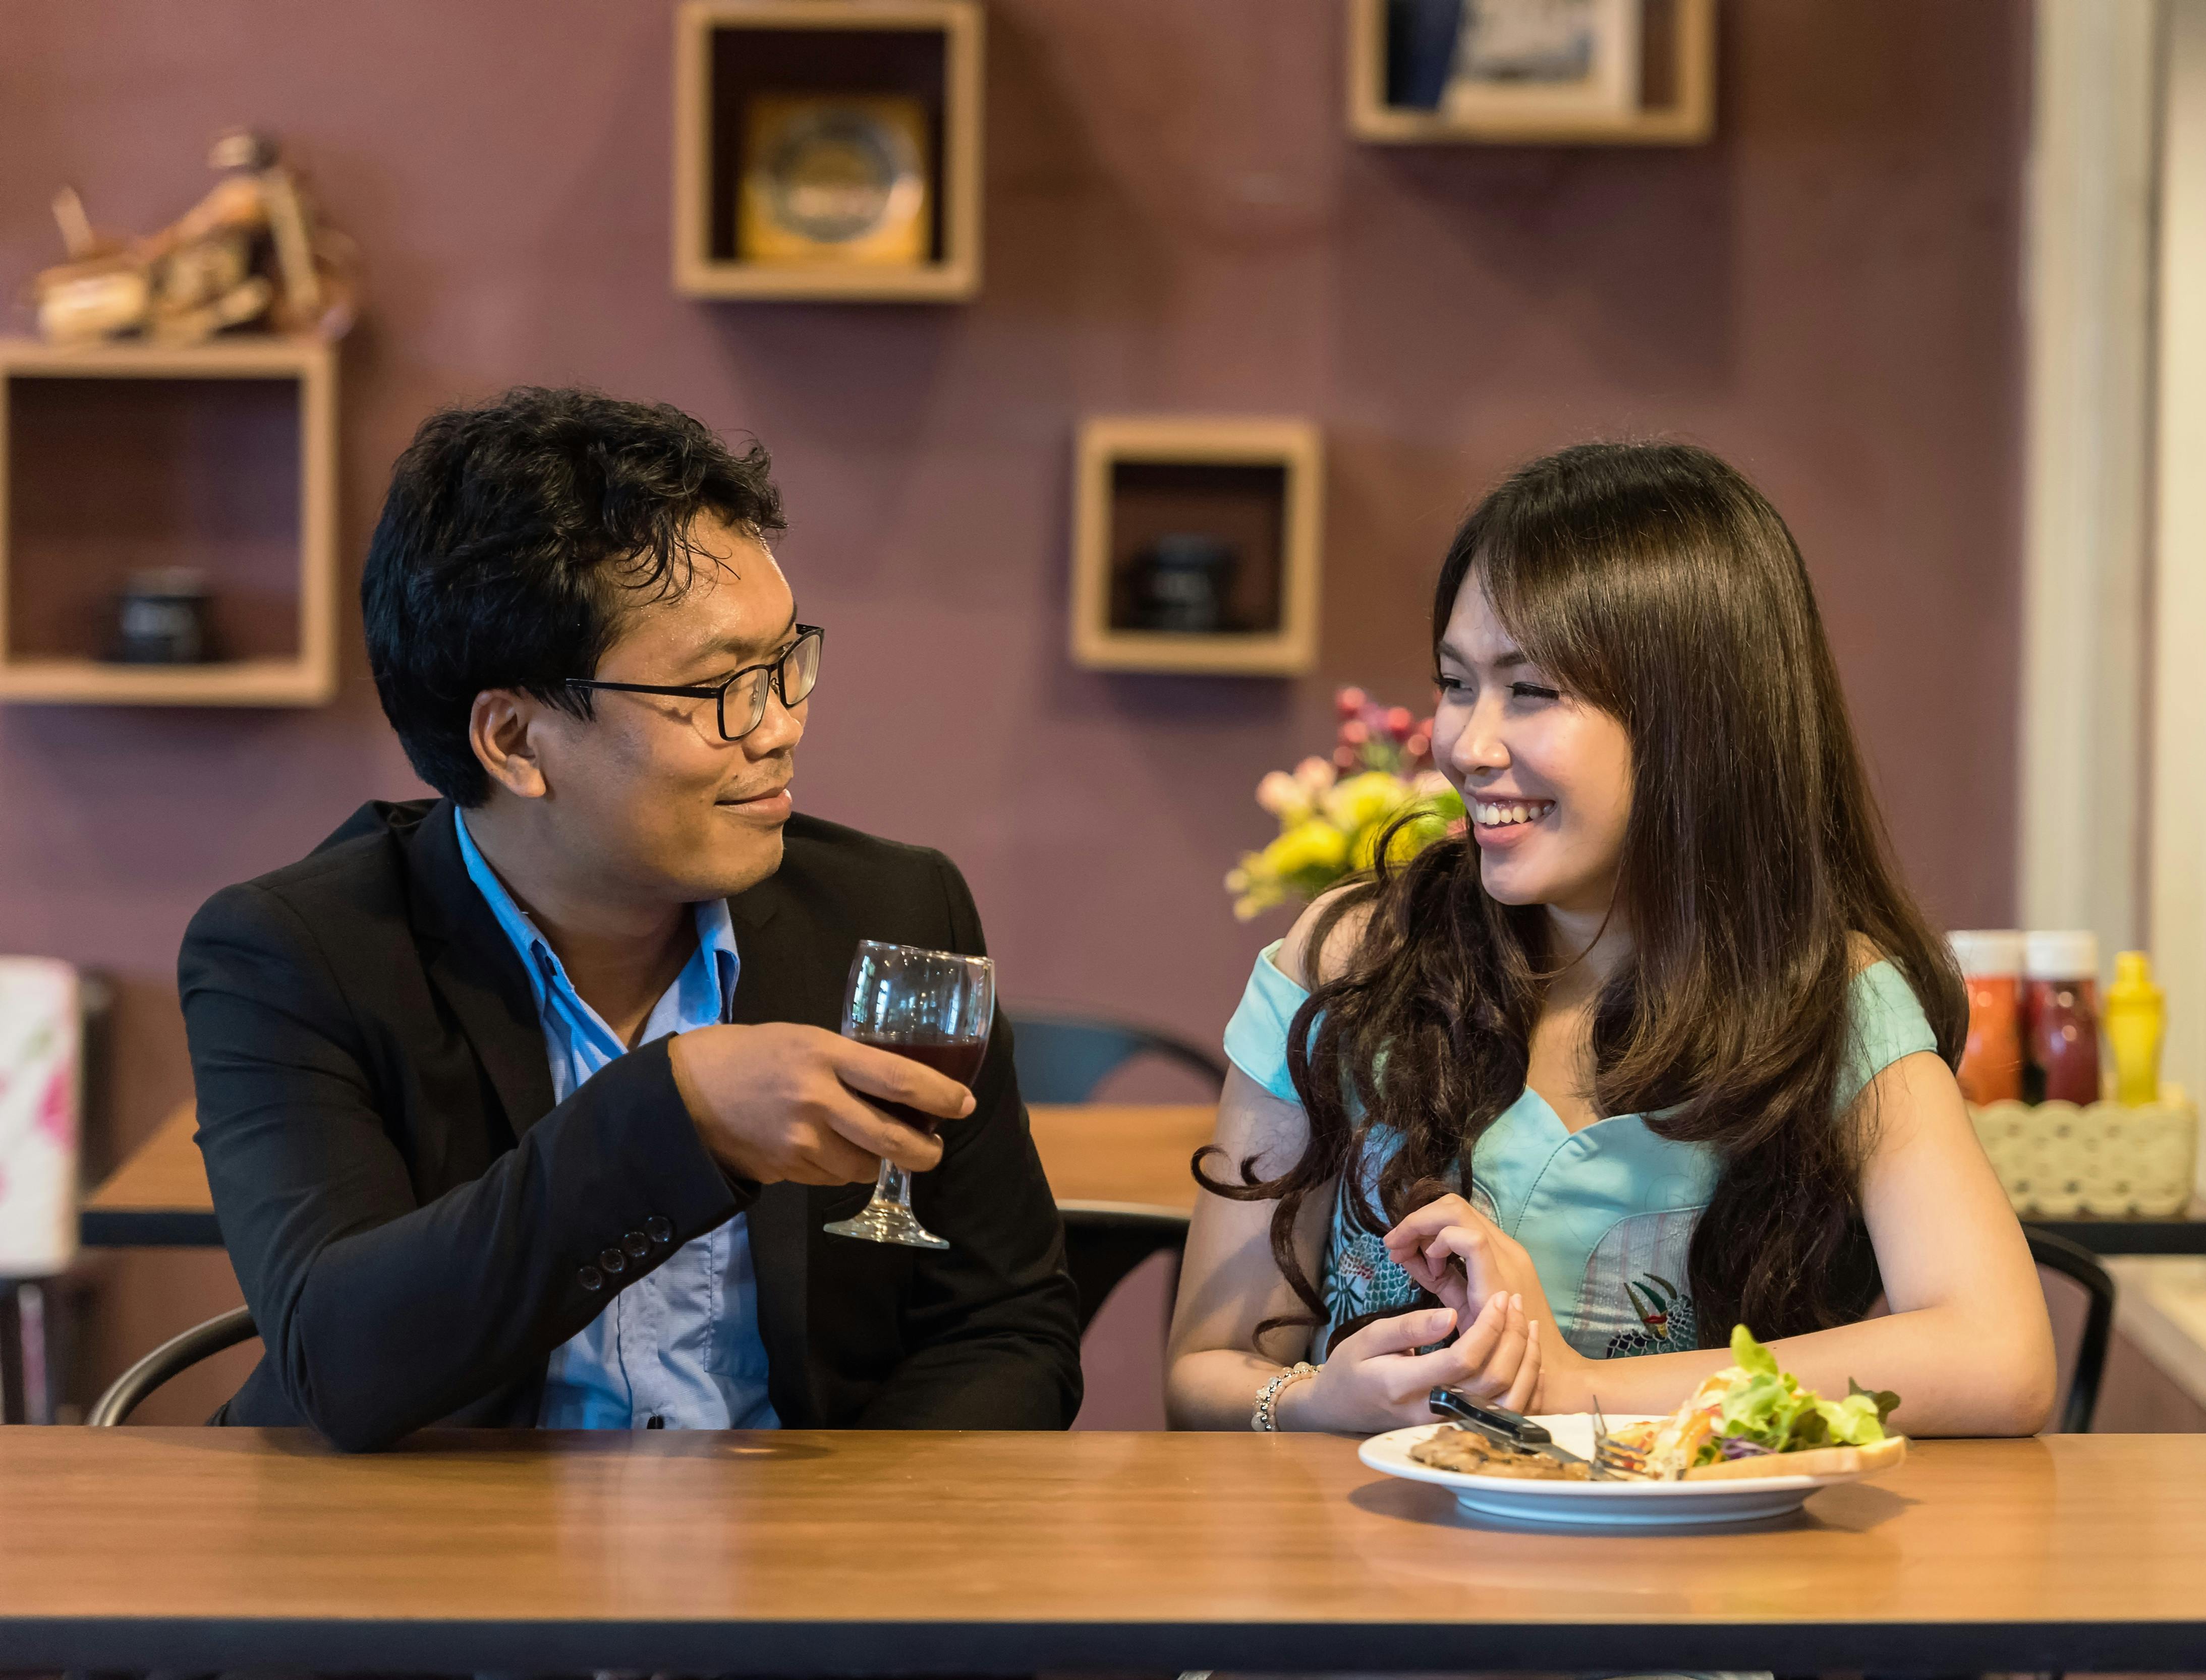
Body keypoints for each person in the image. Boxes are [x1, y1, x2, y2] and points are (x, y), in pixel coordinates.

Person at [180, 388, 1080, 1451]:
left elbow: (1005, 1326)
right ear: (514, 740)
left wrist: (850, 1550)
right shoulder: (293, 954)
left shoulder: (889, 911)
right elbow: (344, 1354)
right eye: (717, 689)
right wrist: (675, 1117)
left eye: (787, 665)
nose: (781, 726)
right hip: (426, 1568)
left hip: (798, 1568)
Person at [1165, 441, 2056, 1435]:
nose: (1467, 743)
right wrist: (1315, 1401)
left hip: (1704, 1583)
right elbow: (1207, 1371)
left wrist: (1572, 1390)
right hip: (1378, 1570)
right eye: (1457, 683)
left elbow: (2000, 1355)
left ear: (1695, 724)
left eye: (1530, 691)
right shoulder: (1347, 961)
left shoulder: (1826, 996)